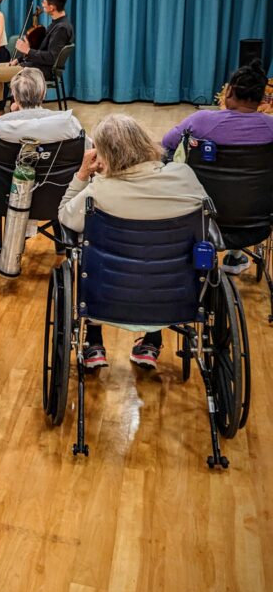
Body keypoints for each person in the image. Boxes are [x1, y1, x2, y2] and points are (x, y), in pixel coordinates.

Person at [58, 114, 208, 371]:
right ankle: (152, 340)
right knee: (165, 258)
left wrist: (83, 174)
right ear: (144, 142)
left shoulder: (97, 192)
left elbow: (64, 217)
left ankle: (94, 342)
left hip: (107, 298)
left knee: (88, 252)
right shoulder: (184, 177)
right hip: (175, 295)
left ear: (103, 155)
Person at [162, 59, 273, 275]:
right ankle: (236, 256)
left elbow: (167, 142)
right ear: (261, 98)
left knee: (169, 158)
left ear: (229, 91)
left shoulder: (202, 121)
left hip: (201, 216)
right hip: (256, 222)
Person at [0, 0, 74, 134]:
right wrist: (20, 58)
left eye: (44, 2)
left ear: (52, 6)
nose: (42, 4)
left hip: (38, 70)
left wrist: (27, 50)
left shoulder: (61, 28)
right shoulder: (56, 24)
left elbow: (51, 58)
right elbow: (42, 50)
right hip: (31, 64)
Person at [0, 67, 86, 148]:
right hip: (60, 172)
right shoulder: (69, 122)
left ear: (15, 97)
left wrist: (14, 115)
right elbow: (87, 148)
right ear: (43, 93)